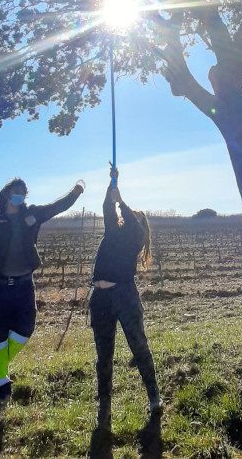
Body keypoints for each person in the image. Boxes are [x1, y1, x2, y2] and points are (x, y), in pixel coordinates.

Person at [0, 177, 85, 409]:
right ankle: (2, 392)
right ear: (6, 195)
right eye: (16, 193)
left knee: (25, 330)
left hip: (24, 286)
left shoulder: (33, 216)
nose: (20, 197)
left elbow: (57, 206)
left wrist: (76, 192)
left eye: (23, 194)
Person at [90, 167, 160, 432]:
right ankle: (104, 407)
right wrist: (113, 182)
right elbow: (107, 205)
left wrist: (122, 201)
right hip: (100, 299)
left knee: (139, 347)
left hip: (124, 296)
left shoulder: (135, 237)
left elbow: (128, 218)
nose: (131, 219)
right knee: (103, 356)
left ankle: (154, 397)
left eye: (137, 218)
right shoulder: (112, 230)